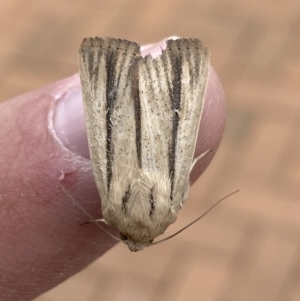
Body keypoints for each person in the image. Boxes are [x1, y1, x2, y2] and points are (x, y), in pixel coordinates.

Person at [0, 38, 226, 300]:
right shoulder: (113, 215)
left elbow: (182, 184)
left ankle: (150, 72)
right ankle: (116, 69)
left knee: (173, 133)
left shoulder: (166, 213)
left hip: (161, 146)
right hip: (123, 147)